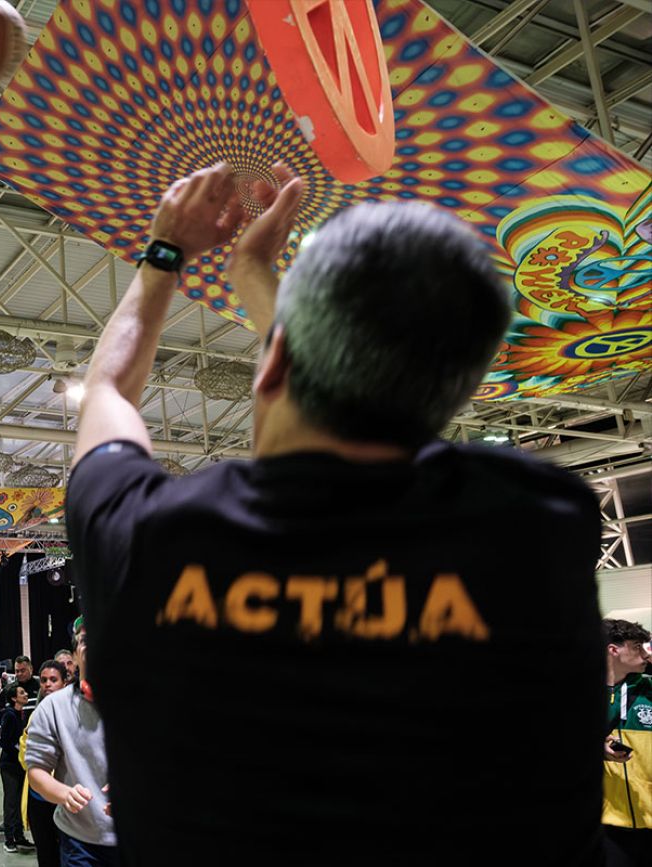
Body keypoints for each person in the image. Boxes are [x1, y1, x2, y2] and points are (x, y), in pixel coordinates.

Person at [66, 161, 605, 865]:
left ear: (274, 357)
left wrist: (167, 250)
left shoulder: (148, 536)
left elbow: (110, 388)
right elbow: (376, 383)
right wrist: (260, 284)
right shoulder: (537, 523)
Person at [24, 617, 115, 866]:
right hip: (81, 841)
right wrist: (65, 794)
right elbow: (37, 772)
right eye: (86, 640)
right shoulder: (53, 708)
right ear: (74, 657)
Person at [602, 618, 652, 867]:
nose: (645, 654)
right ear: (614, 650)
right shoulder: (576, 690)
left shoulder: (648, 688)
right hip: (608, 823)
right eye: (638, 647)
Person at [23, 660, 70, 867]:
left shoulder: (73, 713)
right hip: (38, 796)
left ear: (64, 682)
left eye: (53, 680)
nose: (47, 685)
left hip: (65, 795)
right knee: (45, 854)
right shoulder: (36, 714)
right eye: (43, 680)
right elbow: (25, 753)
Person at [0, 682, 35, 854]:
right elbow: (5, 743)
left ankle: (19, 837)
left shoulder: (21, 714)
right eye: (21, 692)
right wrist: (20, 750)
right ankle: (9, 839)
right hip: (9, 766)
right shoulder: (10, 715)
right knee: (11, 802)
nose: (26, 694)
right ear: (14, 698)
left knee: (20, 801)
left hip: (20, 765)